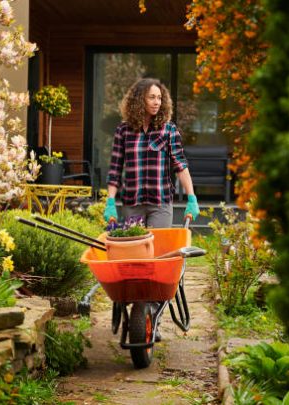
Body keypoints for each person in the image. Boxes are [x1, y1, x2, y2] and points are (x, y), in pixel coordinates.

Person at [103, 78, 200, 341]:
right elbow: (115, 169)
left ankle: (151, 313)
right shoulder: (124, 131)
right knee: (132, 260)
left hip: (160, 203)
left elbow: (181, 165)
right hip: (132, 203)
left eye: (159, 98)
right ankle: (135, 307)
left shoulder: (169, 131)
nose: (157, 102)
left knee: (156, 261)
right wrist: (110, 202)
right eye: (151, 97)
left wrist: (191, 196)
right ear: (139, 101)